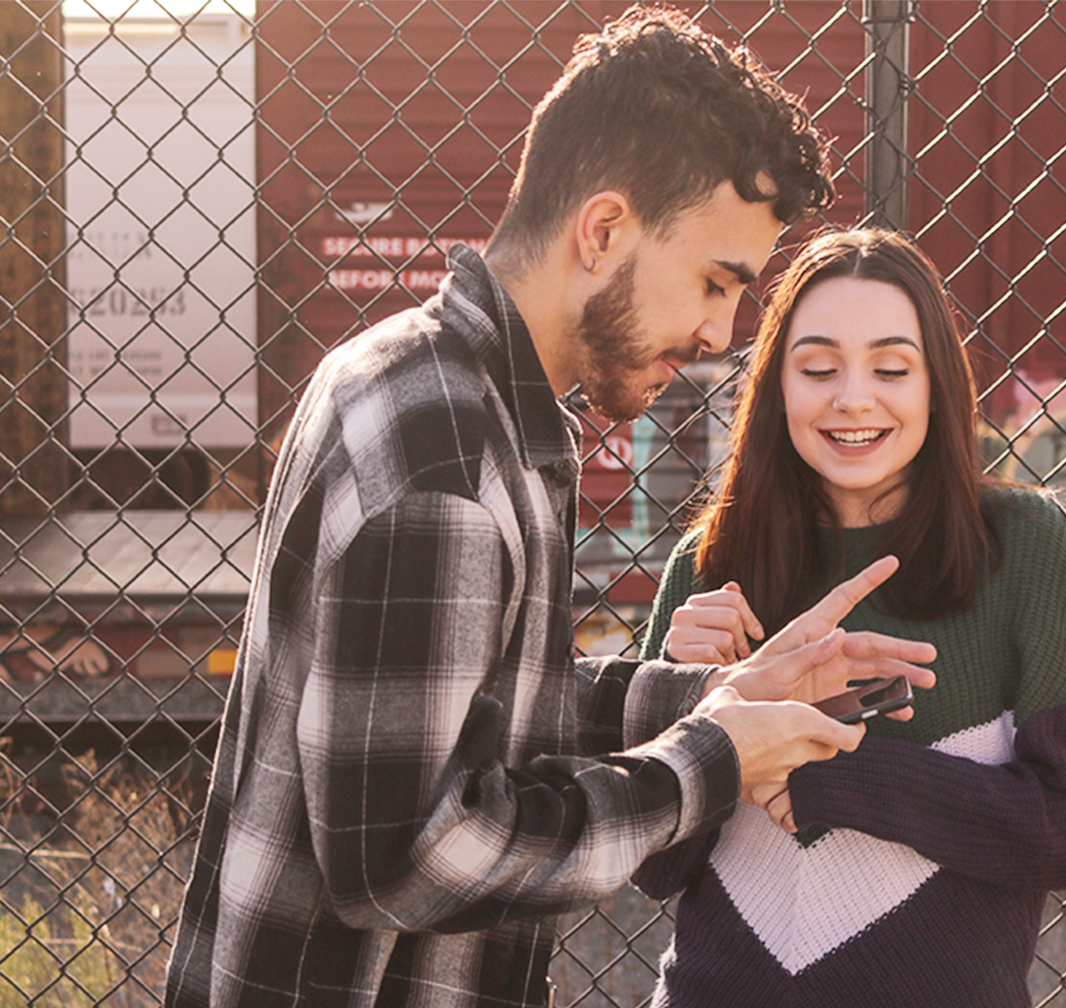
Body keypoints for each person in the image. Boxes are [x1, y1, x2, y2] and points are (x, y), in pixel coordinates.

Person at [163, 10, 938, 1008]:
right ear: (604, 229)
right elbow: (408, 858)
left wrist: (723, 694)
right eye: (715, 281)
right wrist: (709, 761)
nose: (718, 329)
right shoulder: (444, 453)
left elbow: (468, 701)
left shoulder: (416, 376)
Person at [632, 228, 1066, 1007]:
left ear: (937, 383)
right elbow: (653, 868)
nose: (853, 397)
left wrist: (843, 777)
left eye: (891, 368)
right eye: (819, 368)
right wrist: (684, 696)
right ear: (776, 387)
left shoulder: (1023, 547)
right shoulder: (708, 563)